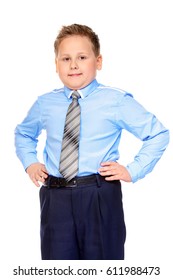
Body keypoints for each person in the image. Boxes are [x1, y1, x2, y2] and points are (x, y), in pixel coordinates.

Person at [14, 23, 169, 260]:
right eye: (65, 58)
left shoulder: (115, 100)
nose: (73, 65)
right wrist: (31, 162)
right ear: (56, 65)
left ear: (98, 61)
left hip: (99, 194)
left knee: (103, 263)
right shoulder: (45, 103)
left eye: (82, 57)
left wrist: (133, 170)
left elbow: (158, 134)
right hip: (55, 197)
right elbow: (23, 134)